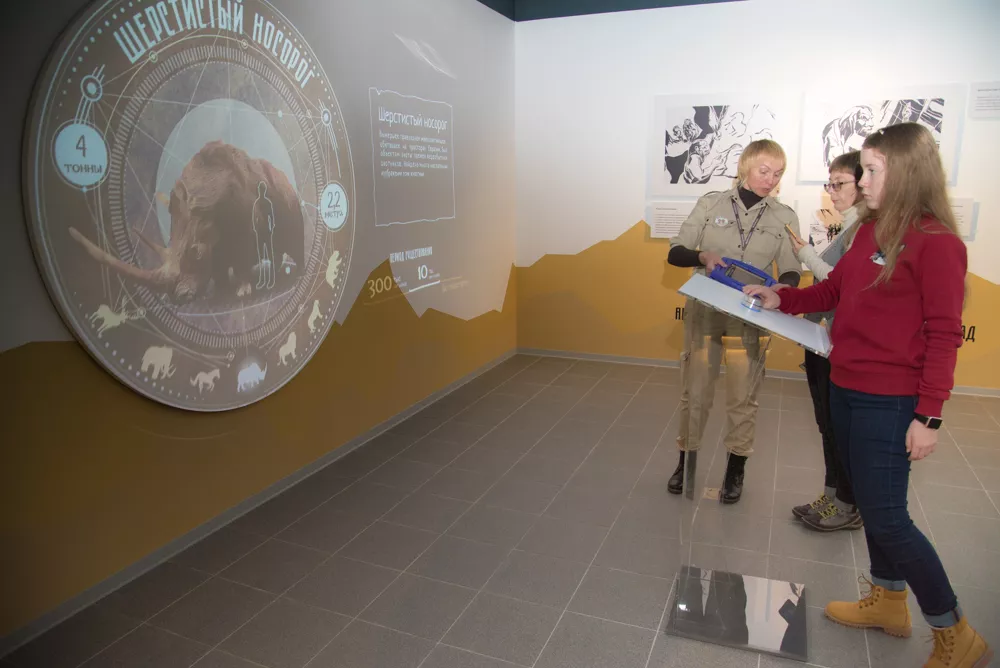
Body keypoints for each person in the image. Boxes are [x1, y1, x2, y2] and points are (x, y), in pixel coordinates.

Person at [744, 123, 991, 668]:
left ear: (905, 173)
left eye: (872, 170)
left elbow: (945, 333)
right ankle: (888, 601)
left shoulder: (937, 243)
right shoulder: (869, 230)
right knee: (876, 510)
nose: (861, 180)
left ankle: (954, 630)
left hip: (891, 399)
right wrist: (783, 298)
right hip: (846, 386)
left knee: (888, 519)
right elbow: (835, 289)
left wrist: (929, 416)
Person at [667, 139, 801, 504]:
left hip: (751, 315)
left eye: (778, 174)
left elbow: (791, 269)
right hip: (706, 310)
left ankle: (735, 469)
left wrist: (783, 287)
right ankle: (686, 461)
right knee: (696, 391)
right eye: (764, 171)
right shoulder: (710, 204)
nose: (770, 180)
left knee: (744, 395)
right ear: (744, 167)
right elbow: (676, 252)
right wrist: (702, 256)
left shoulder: (784, 216)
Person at [787, 151, 867, 532]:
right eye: (829, 184)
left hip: (837, 345)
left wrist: (804, 254)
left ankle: (847, 504)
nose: (832, 192)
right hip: (821, 341)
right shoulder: (849, 229)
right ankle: (832, 496)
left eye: (840, 184)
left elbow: (838, 283)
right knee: (827, 426)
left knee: (840, 430)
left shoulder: (865, 232)